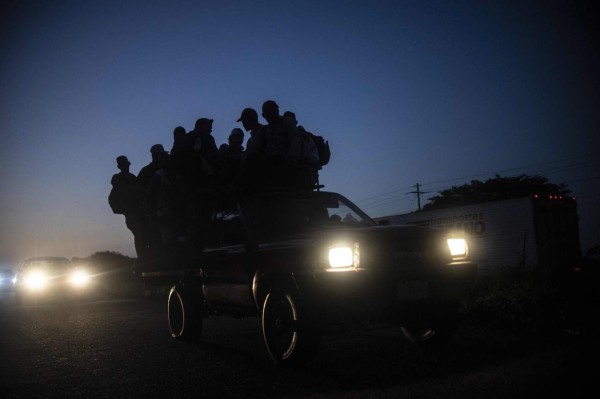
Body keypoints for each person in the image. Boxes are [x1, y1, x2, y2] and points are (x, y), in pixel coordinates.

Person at [109, 156, 149, 267]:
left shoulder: (132, 178)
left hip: (137, 212)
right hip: (132, 213)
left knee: (141, 236)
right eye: (123, 164)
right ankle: (142, 260)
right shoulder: (118, 178)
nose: (125, 166)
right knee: (140, 236)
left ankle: (144, 259)